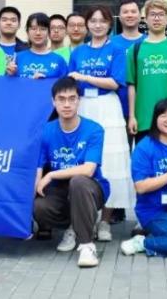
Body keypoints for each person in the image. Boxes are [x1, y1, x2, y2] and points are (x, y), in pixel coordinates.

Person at [69, 5, 134, 242]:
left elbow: (116, 82)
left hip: (107, 106)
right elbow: (70, 82)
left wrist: (85, 77)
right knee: (81, 158)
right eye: (93, 21)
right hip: (83, 105)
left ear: (109, 24)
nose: (97, 25)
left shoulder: (116, 50)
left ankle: (105, 221)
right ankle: (79, 221)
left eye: (102, 21)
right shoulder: (78, 51)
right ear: (87, 24)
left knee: (110, 161)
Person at [34, 77, 110, 268]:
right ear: (53, 102)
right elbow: (38, 168)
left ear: (79, 100)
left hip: (90, 188)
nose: (66, 104)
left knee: (78, 181)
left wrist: (51, 175)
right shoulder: (46, 130)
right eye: (61, 99)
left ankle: (86, 245)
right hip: (61, 190)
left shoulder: (94, 129)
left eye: (72, 98)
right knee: (38, 207)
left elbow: (89, 169)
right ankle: (74, 225)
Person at [120, 99, 167, 258]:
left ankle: (163, 237)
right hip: (153, 210)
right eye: (163, 115)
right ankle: (142, 243)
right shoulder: (145, 147)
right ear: (155, 119)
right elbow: (141, 187)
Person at [127, 0, 167, 144]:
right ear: (145, 19)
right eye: (153, 14)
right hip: (144, 119)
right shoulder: (135, 50)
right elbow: (131, 85)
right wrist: (132, 116)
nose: (157, 18)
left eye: (161, 15)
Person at [12, 12, 69, 79]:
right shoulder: (18, 58)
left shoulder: (59, 60)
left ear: (49, 32)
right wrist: (10, 74)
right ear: (27, 32)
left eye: (43, 29)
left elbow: (66, 84)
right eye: (33, 29)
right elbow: (9, 83)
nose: (38, 33)